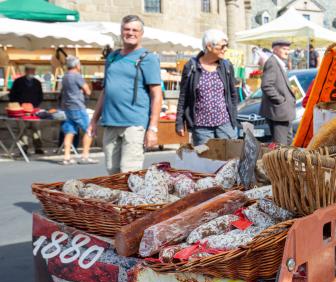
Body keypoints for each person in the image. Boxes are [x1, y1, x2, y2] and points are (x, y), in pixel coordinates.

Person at [87, 15, 162, 174]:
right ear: (121, 32)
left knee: (129, 173)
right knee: (112, 172)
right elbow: (106, 91)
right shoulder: (112, 57)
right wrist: (94, 120)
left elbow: (156, 95)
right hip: (111, 122)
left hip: (134, 123)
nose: (130, 33)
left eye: (135, 30)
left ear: (141, 33)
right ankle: (118, 199)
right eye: (127, 29)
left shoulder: (148, 59)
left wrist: (153, 128)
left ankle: (130, 200)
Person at [175, 29, 239, 146]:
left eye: (227, 45)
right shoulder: (191, 66)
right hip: (201, 128)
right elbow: (183, 96)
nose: (226, 49)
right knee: (205, 162)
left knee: (230, 160)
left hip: (225, 125)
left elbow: (233, 95)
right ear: (209, 47)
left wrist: (233, 117)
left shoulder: (227, 66)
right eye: (223, 46)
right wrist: (179, 122)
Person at [59, 56, 97, 165]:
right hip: (78, 106)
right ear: (76, 65)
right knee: (89, 130)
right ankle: (85, 156)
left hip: (68, 107)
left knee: (69, 131)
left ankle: (66, 157)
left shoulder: (65, 77)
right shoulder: (77, 76)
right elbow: (88, 91)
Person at [259, 39, 296, 145]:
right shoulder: (272, 62)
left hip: (283, 112)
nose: (287, 52)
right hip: (279, 112)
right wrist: (281, 100)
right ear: (275, 50)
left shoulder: (277, 62)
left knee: (287, 145)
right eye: (284, 49)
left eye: (288, 49)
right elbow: (266, 85)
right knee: (281, 148)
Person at [9, 65, 44, 154]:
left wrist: (35, 106)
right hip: (20, 110)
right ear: (26, 71)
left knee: (36, 128)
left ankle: (38, 147)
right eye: (30, 71)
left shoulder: (37, 82)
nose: (32, 72)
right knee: (22, 129)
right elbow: (12, 95)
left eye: (33, 71)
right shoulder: (18, 82)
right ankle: (24, 148)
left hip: (33, 110)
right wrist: (18, 106)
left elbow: (40, 96)